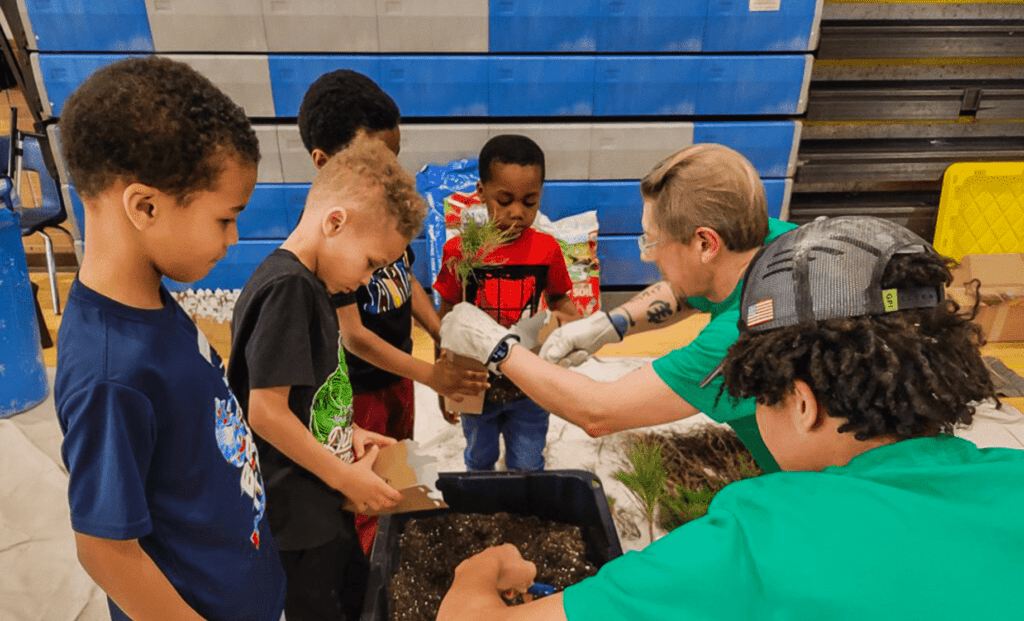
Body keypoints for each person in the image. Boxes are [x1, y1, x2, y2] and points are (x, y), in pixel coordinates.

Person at [433, 215, 1024, 621]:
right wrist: (621, 318)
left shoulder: (767, 546)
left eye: (754, 397)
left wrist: (480, 571)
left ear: (801, 402)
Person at [54, 56, 298, 621]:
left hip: (243, 590)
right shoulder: (110, 374)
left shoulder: (153, 295)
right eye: (226, 219)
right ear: (145, 205)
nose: (231, 240)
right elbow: (103, 547)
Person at [227, 136, 426, 621]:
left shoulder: (311, 286)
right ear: (333, 221)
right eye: (369, 263)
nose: (368, 279)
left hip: (320, 500)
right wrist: (346, 475)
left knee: (344, 605)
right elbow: (265, 412)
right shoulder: (289, 290)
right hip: (296, 514)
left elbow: (311, 398)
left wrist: (349, 432)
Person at [443, 143, 797, 472]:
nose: (647, 254)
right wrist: (613, 323)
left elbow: (599, 413)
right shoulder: (771, 240)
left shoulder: (742, 340)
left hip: (823, 492)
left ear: (706, 242)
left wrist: (497, 346)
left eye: (653, 240)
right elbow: (690, 290)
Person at [298, 68, 486, 555]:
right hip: (358, 390)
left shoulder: (378, 214)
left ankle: (396, 536)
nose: (393, 176)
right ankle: (373, 565)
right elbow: (354, 336)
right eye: (376, 162)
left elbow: (406, 281)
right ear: (324, 163)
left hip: (399, 372)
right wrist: (432, 375)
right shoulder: (331, 239)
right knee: (367, 484)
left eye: (395, 159)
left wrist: (441, 333)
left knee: (400, 462)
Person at [432, 134, 581, 471]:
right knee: (479, 457)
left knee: (528, 461)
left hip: (530, 380)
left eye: (530, 202)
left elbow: (560, 298)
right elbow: (446, 318)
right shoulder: (461, 253)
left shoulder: (546, 250)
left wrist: (577, 326)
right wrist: (442, 380)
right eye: (505, 200)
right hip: (475, 380)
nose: (517, 213)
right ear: (481, 192)